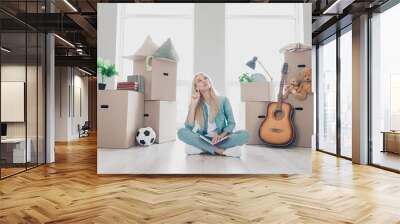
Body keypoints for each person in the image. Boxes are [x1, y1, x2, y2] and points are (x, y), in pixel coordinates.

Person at [177, 72, 249, 157]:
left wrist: (221, 136)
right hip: (203, 139)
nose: (204, 81)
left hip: (221, 139)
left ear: (210, 82)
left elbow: (231, 123)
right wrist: (193, 104)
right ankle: (219, 150)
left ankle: (202, 149)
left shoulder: (223, 100)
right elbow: (189, 127)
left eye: (205, 78)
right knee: (181, 132)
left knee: (245, 134)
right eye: (199, 80)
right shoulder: (195, 104)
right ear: (196, 87)